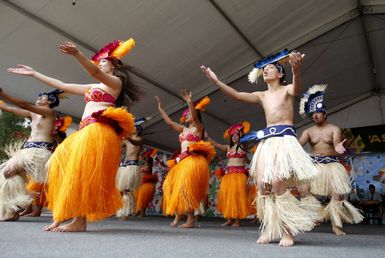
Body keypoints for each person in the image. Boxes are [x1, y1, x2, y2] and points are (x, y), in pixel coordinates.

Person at [7, 38, 141, 232]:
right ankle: (63, 213)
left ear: (114, 64)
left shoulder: (115, 83)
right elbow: (62, 84)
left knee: (81, 172)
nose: (100, 63)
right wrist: (34, 73)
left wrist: (77, 54)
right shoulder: (93, 87)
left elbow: (94, 71)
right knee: (56, 165)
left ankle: (79, 220)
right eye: (100, 60)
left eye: (104, 60)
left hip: (98, 130)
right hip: (85, 131)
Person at [202, 49, 319, 247]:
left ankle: (287, 231)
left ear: (280, 73)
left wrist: (296, 70)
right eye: (263, 69)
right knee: (263, 187)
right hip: (267, 142)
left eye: (270, 68)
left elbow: (297, 88)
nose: (265, 70)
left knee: (277, 184)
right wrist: (216, 81)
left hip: (284, 140)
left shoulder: (287, 89)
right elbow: (238, 95)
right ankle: (268, 228)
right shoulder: (261, 95)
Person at [298, 84, 363, 235]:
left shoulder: (334, 129)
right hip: (314, 165)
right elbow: (298, 145)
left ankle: (336, 225)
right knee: (304, 191)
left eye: (318, 112)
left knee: (337, 194)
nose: (315, 115)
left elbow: (335, 144)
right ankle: (315, 217)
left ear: (325, 114)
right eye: (313, 113)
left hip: (332, 165)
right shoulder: (308, 131)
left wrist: (339, 147)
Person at [155, 92, 215, 228]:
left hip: (193, 161)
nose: (188, 115)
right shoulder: (183, 129)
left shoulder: (198, 128)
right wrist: (161, 110)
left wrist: (189, 101)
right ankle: (179, 215)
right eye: (186, 114)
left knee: (186, 188)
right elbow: (170, 123)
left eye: (190, 114)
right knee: (171, 187)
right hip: (181, 161)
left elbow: (195, 116)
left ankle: (190, 219)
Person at [0, 89, 59, 221]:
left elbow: (24, 104)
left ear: (50, 101)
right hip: (26, 151)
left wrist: (3, 94)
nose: (38, 98)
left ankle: (15, 208)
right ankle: (12, 209)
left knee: (8, 172)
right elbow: (9, 108)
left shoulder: (48, 112)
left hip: (39, 153)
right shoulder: (33, 114)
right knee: (6, 174)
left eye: (42, 97)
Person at [207, 121, 251, 227]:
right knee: (227, 196)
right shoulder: (228, 147)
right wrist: (208, 138)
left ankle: (237, 221)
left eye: (237, 135)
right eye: (233, 135)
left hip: (239, 175)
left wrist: (240, 131)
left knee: (237, 196)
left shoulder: (243, 146)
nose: (235, 137)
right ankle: (229, 219)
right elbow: (217, 145)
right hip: (228, 175)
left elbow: (248, 161)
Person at [115, 118, 147, 220]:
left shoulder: (139, 139)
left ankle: (126, 213)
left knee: (127, 190)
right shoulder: (127, 140)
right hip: (124, 165)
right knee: (121, 189)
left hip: (132, 165)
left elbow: (135, 143)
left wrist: (127, 138)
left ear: (137, 130)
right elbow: (118, 142)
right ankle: (122, 210)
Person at [134, 148, 158, 217]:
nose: (143, 159)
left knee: (144, 199)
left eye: (145, 158)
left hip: (147, 185)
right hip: (141, 184)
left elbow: (146, 158)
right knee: (138, 198)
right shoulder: (142, 165)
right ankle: (138, 210)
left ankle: (142, 212)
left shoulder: (148, 164)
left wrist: (146, 156)